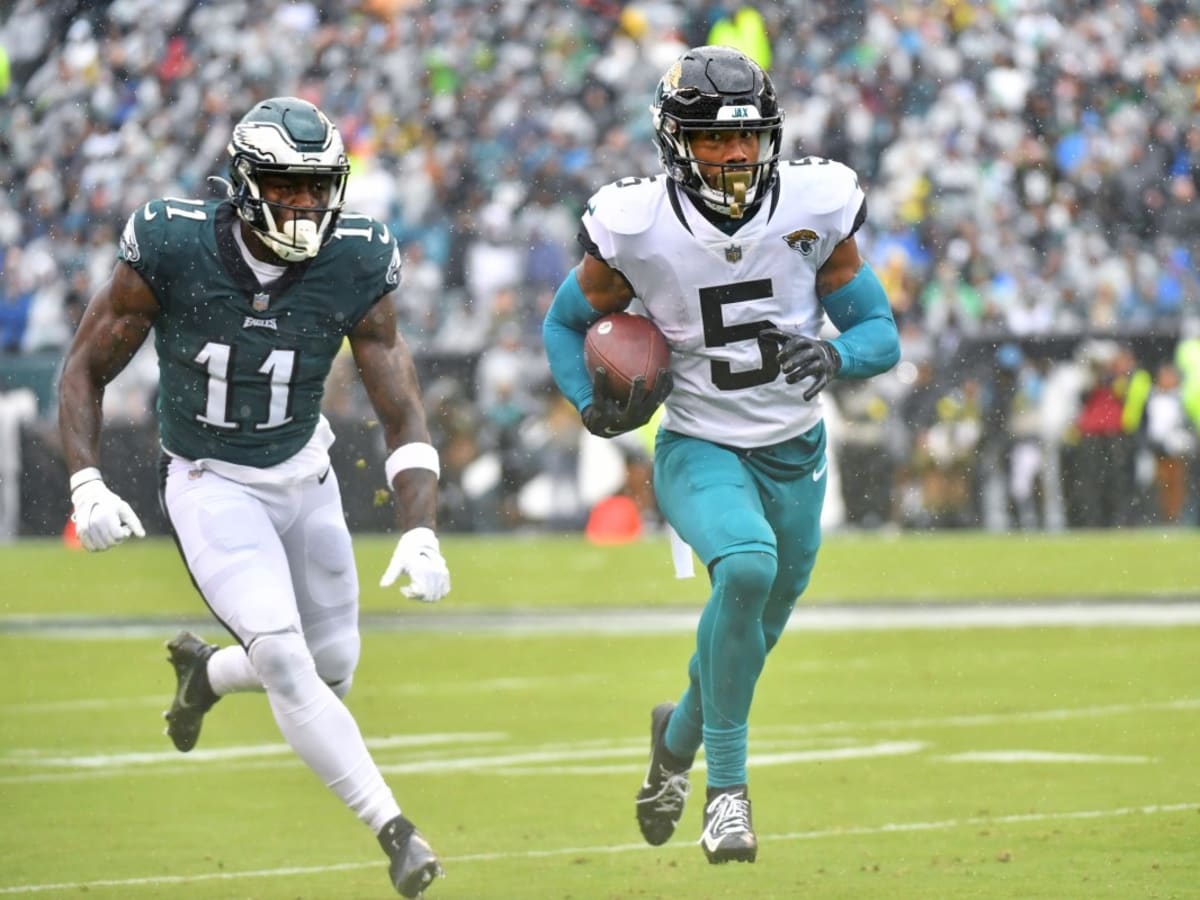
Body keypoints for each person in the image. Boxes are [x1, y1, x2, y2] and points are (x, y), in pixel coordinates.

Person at [57, 97, 449, 899]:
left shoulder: (356, 257)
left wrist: (422, 530)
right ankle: (396, 832)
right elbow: (84, 367)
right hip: (210, 480)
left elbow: (400, 405)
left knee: (331, 666)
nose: (305, 206)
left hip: (306, 474)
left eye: (317, 187)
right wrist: (85, 481)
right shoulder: (173, 244)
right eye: (285, 185)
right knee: (282, 654)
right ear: (242, 184)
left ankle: (205, 677)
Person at [542, 47, 900, 864]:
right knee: (744, 570)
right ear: (676, 143)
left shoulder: (814, 205)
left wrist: (839, 358)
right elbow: (563, 323)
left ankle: (676, 740)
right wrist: (589, 404)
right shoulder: (636, 224)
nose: (735, 155)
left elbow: (881, 331)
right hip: (700, 441)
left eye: (747, 138)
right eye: (712, 139)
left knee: (751, 630)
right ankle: (726, 795)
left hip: (795, 451)